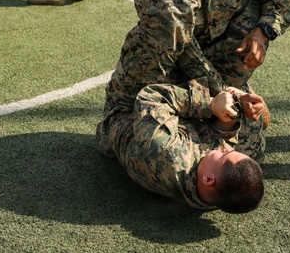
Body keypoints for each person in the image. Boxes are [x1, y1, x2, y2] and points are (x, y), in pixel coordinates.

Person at [96, 0, 290, 194]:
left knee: (250, 3)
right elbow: (182, 58)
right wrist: (229, 101)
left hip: (223, 46)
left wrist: (264, 31)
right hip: (184, 66)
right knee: (249, 146)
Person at [110, 79, 267, 212]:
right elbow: (220, 141)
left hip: (126, 112)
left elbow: (151, 97)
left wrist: (210, 104)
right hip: (180, 120)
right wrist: (235, 108)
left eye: (225, 154)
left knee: (163, 42)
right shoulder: (216, 190)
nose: (226, 148)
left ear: (208, 179)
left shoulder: (168, 154)